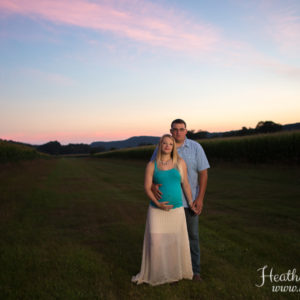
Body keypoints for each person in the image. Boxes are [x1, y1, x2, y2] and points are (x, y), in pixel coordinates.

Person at [132, 134, 196, 286]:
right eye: (164, 143)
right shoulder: (151, 165)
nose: (167, 146)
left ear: (173, 147)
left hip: (176, 210)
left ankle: (173, 274)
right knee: (156, 241)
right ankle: (157, 274)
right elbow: (147, 188)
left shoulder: (180, 163)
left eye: (170, 144)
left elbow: (186, 184)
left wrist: (191, 202)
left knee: (174, 241)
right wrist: (158, 203)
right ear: (160, 145)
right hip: (156, 209)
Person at [151, 119, 210, 281]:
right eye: (175, 129)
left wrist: (200, 198)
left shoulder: (196, 148)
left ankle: (195, 271)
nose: (178, 132)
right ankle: (172, 271)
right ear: (171, 131)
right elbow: (152, 172)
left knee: (192, 236)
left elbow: (203, 174)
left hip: (190, 201)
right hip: (169, 202)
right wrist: (154, 185)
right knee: (169, 237)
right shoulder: (162, 148)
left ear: (186, 131)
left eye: (181, 129)